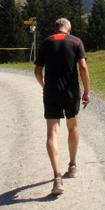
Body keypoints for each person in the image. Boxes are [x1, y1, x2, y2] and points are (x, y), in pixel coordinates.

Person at [34, 17, 90, 196]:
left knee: (52, 133)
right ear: (69, 29)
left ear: (55, 28)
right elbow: (82, 67)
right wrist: (87, 91)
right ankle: (72, 165)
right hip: (71, 92)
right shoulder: (76, 41)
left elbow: (37, 71)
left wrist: (45, 86)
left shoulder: (46, 42)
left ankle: (56, 177)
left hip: (51, 93)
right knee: (72, 126)